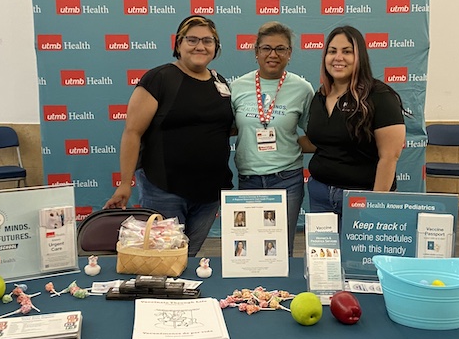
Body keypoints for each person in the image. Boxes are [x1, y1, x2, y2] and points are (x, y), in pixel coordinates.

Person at [104, 15, 232, 257]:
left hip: (209, 194)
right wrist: (124, 183)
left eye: (207, 40)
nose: (200, 46)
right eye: (191, 39)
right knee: (162, 261)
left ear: (216, 47)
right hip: (164, 190)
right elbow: (132, 132)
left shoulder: (220, 82)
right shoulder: (159, 79)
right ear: (178, 44)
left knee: (187, 258)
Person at [305, 25, 407, 219]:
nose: (338, 57)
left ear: (360, 56)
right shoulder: (320, 95)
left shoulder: (379, 96)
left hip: (360, 198)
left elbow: (389, 157)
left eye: (347, 52)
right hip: (319, 195)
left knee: (358, 250)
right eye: (332, 51)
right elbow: (320, 141)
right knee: (322, 251)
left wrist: (376, 206)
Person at [232, 21, 314, 255]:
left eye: (281, 49)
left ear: (289, 54)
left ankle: (280, 293)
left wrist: (291, 144)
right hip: (249, 180)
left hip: (286, 179)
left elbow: (314, 134)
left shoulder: (303, 89)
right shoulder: (237, 87)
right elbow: (228, 128)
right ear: (256, 52)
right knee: (248, 250)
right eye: (266, 48)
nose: (273, 54)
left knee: (279, 251)